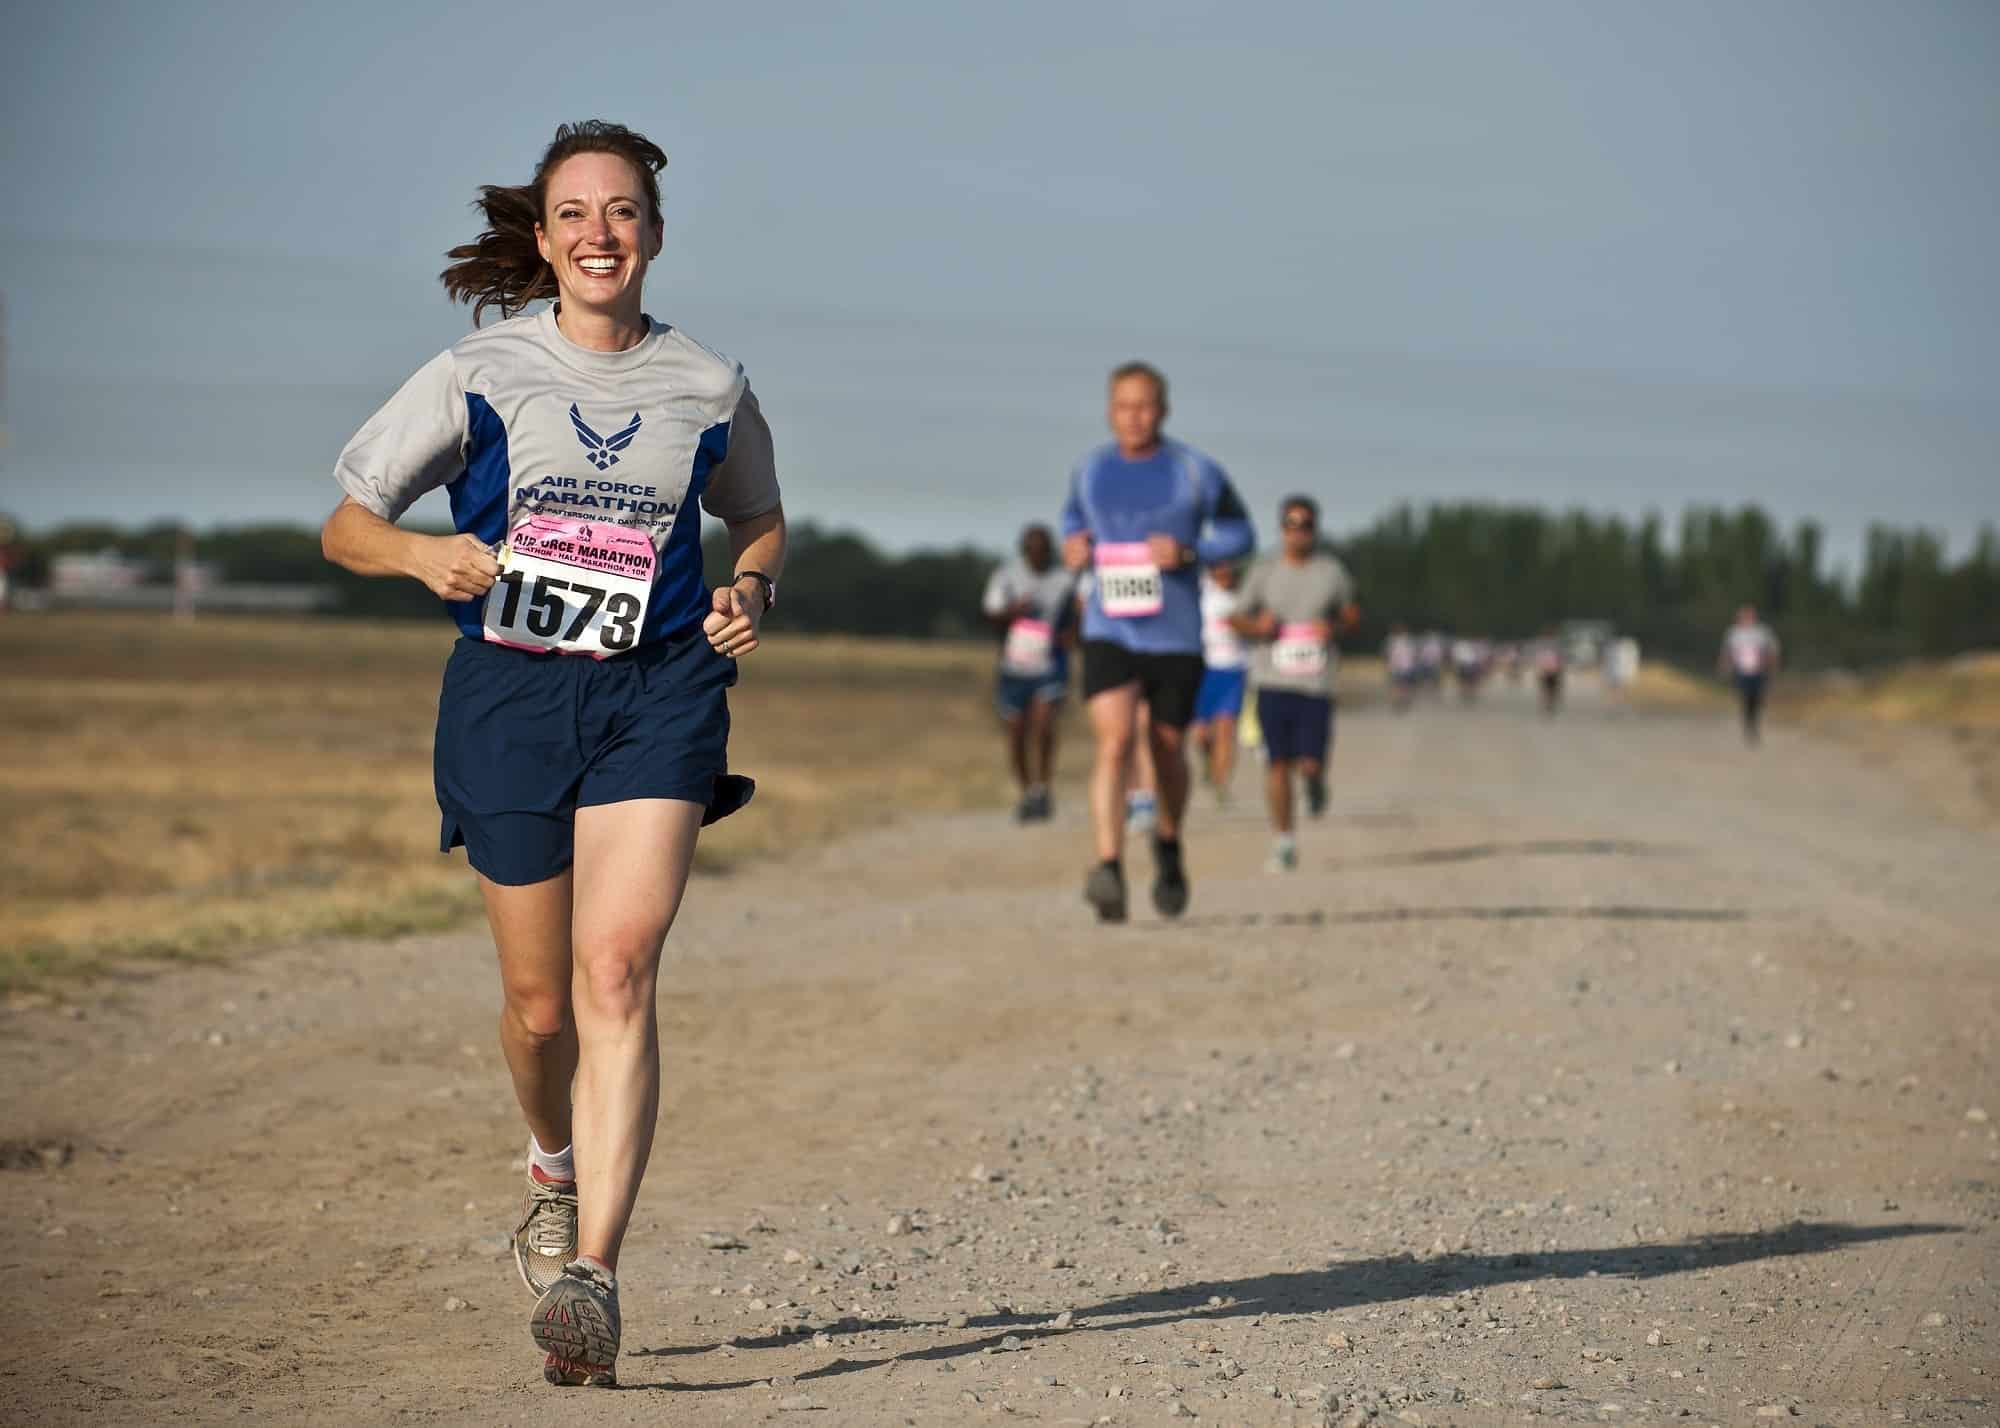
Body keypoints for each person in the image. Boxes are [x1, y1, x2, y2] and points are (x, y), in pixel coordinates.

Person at [320, 121, 785, 1389]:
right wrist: (423, 556)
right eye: (575, 213)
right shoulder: (477, 369)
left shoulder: (708, 382)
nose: (599, 233)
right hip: (511, 698)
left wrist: (752, 585)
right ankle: (550, 1164)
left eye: (623, 211)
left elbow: (757, 513)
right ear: (542, 237)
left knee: (617, 970)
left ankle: (595, 1276)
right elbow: (346, 522)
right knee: (539, 1011)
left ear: (654, 230)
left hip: (660, 690)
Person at [1061, 362, 1254, 921]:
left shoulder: (1195, 471)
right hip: (1109, 627)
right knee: (1116, 742)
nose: (1134, 417)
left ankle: (1168, 846)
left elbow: (1241, 533)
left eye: (1145, 406)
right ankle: (1109, 867)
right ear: (1108, 410)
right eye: (1123, 406)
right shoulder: (1090, 470)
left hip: (1174, 634)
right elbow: (1072, 524)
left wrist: (1192, 553)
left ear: (1163, 411)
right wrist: (1073, 547)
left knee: (1167, 749)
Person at [1233, 496, 1358, 872]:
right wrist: (1258, 627)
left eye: (1305, 524)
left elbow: (1352, 614)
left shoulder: (1331, 572)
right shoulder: (1264, 570)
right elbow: (1236, 616)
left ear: (1315, 529)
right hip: (1272, 679)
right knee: (1277, 764)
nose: (1298, 531)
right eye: (1291, 523)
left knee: (1309, 762)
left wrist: (1333, 628)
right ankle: (1284, 840)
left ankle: (1316, 783)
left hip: (1316, 683)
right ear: (1281, 527)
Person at [982, 524, 1077, 820]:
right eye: (1033, 551)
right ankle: (1027, 792)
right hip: (1014, 666)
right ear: (1024, 551)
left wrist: (1071, 635)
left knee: (1044, 723)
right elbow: (990, 615)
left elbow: (1080, 613)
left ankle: (1043, 787)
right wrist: (1013, 612)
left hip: (1050, 665)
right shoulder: (1006, 577)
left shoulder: (1064, 579)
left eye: (1045, 551)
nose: (1039, 556)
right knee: (1017, 732)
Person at [1191, 561, 1251, 802]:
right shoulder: (1200, 589)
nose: (1225, 572)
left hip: (1234, 670)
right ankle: (1207, 759)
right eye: (1220, 567)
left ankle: (1221, 784)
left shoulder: (1245, 594)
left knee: (1226, 729)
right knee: (1201, 734)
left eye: (1230, 567)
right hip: (1203, 668)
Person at [1718, 605, 1781, 745]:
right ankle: (1749, 723)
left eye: (1750, 615)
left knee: (1757, 698)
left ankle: (1753, 721)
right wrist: (1725, 666)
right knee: (1745, 696)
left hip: (1758, 670)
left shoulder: (1762, 632)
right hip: (1742, 671)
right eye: (1744, 616)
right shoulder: (1734, 633)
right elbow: (1727, 651)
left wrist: (1772, 666)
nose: (1747, 618)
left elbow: (1771, 650)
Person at [1384, 622, 1418, 713]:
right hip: (1406, 666)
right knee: (1404, 685)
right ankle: (1402, 700)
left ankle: (1398, 701)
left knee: (1397, 685)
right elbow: (1413, 655)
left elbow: (1387, 655)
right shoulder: (1408, 641)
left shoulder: (1391, 641)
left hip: (1397, 666)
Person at [1532, 627, 1566, 716]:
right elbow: (1560, 659)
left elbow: (1538, 658)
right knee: (1551, 690)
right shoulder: (1556, 645)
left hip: (1548, 670)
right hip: (1552, 670)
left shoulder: (1542, 645)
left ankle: (1547, 705)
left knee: (1547, 690)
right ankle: (1548, 705)